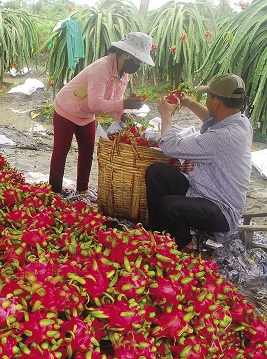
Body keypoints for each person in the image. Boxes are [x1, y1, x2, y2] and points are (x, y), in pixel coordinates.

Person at [145, 73, 252, 250]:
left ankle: (185, 245)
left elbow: (170, 146)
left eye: (208, 96)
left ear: (216, 102)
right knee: (157, 172)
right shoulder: (240, 122)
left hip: (221, 209)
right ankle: (161, 234)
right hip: (204, 191)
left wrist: (166, 116)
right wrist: (188, 102)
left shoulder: (221, 138)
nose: (206, 100)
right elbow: (211, 119)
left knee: (168, 206)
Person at [49, 32, 155, 196]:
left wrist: (124, 115)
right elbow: (95, 103)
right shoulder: (103, 68)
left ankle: (82, 189)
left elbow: (117, 99)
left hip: (86, 114)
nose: (138, 65)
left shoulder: (124, 74)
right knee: (61, 151)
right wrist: (125, 103)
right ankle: (54, 191)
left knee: (87, 150)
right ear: (127, 54)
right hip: (67, 108)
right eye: (137, 60)